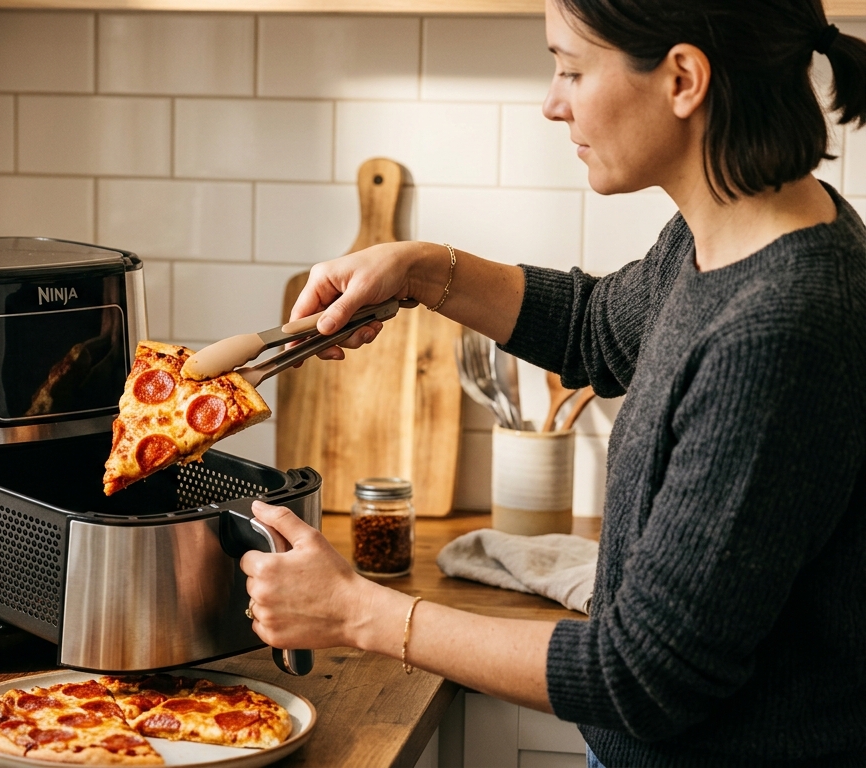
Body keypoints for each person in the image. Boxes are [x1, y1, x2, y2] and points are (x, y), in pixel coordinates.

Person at [238, 0, 866, 765]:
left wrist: (357, 614)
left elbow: (642, 676)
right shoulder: (729, 235)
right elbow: (597, 328)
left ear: (682, 79)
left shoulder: (777, 333)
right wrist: (422, 269)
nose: (551, 101)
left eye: (570, 68)